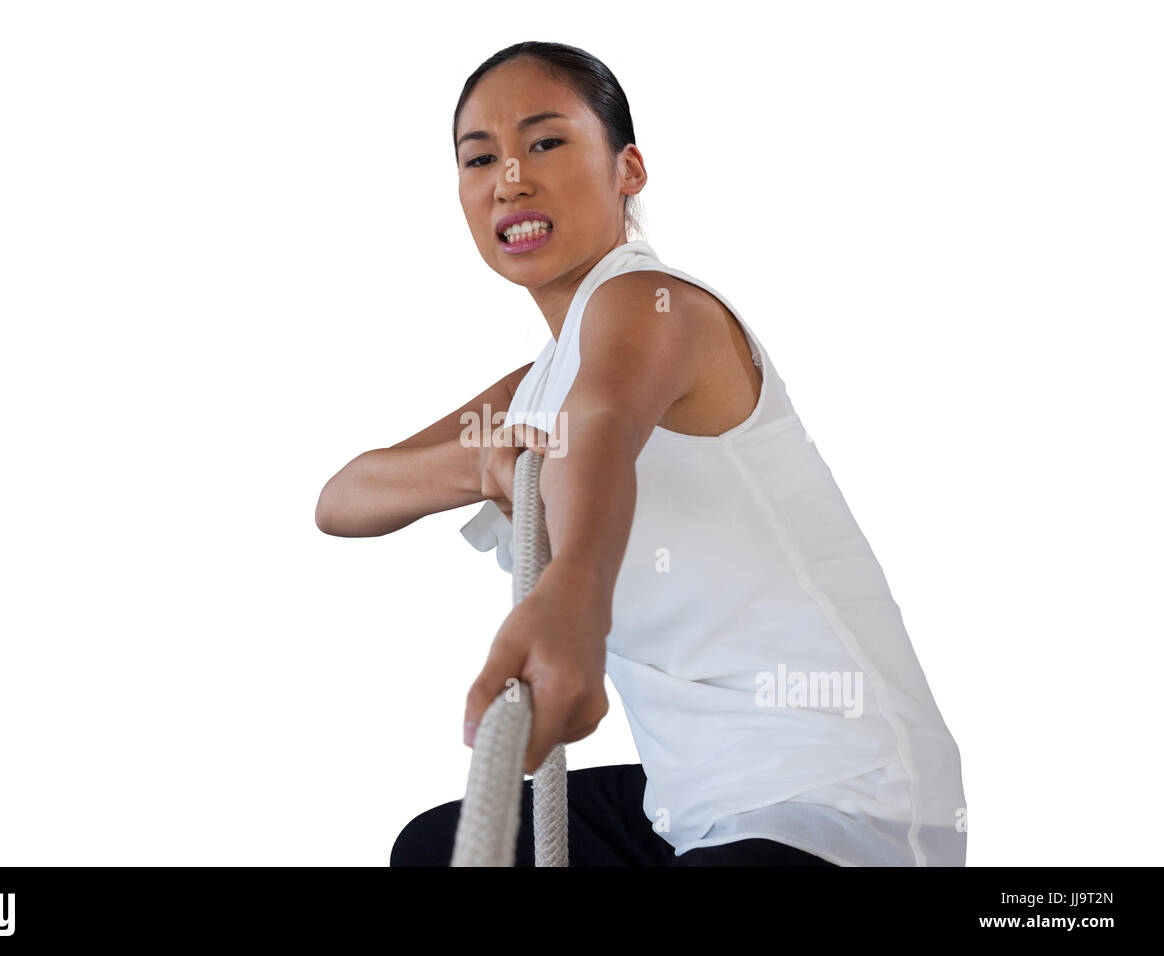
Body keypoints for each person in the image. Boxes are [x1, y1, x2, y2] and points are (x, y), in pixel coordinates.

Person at [316, 41, 967, 867]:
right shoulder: (542, 381)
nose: (510, 177)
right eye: (480, 158)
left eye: (546, 142)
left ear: (629, 169)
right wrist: (478, 463)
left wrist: (571, 605)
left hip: (836, 800)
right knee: (432, 849)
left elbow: (601, 434)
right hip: (687, 803)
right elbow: (342, 499)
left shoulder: (652, 305)